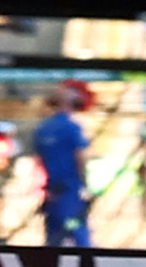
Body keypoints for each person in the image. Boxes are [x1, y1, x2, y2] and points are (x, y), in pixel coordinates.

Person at [26, 87, 97, 253]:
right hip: (70, 189)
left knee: (53, 236)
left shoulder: (42, 128)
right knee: (78, 231)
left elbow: (39, 159)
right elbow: (80, 156)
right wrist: (85, 184)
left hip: (52, 190)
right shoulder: (72, 127)